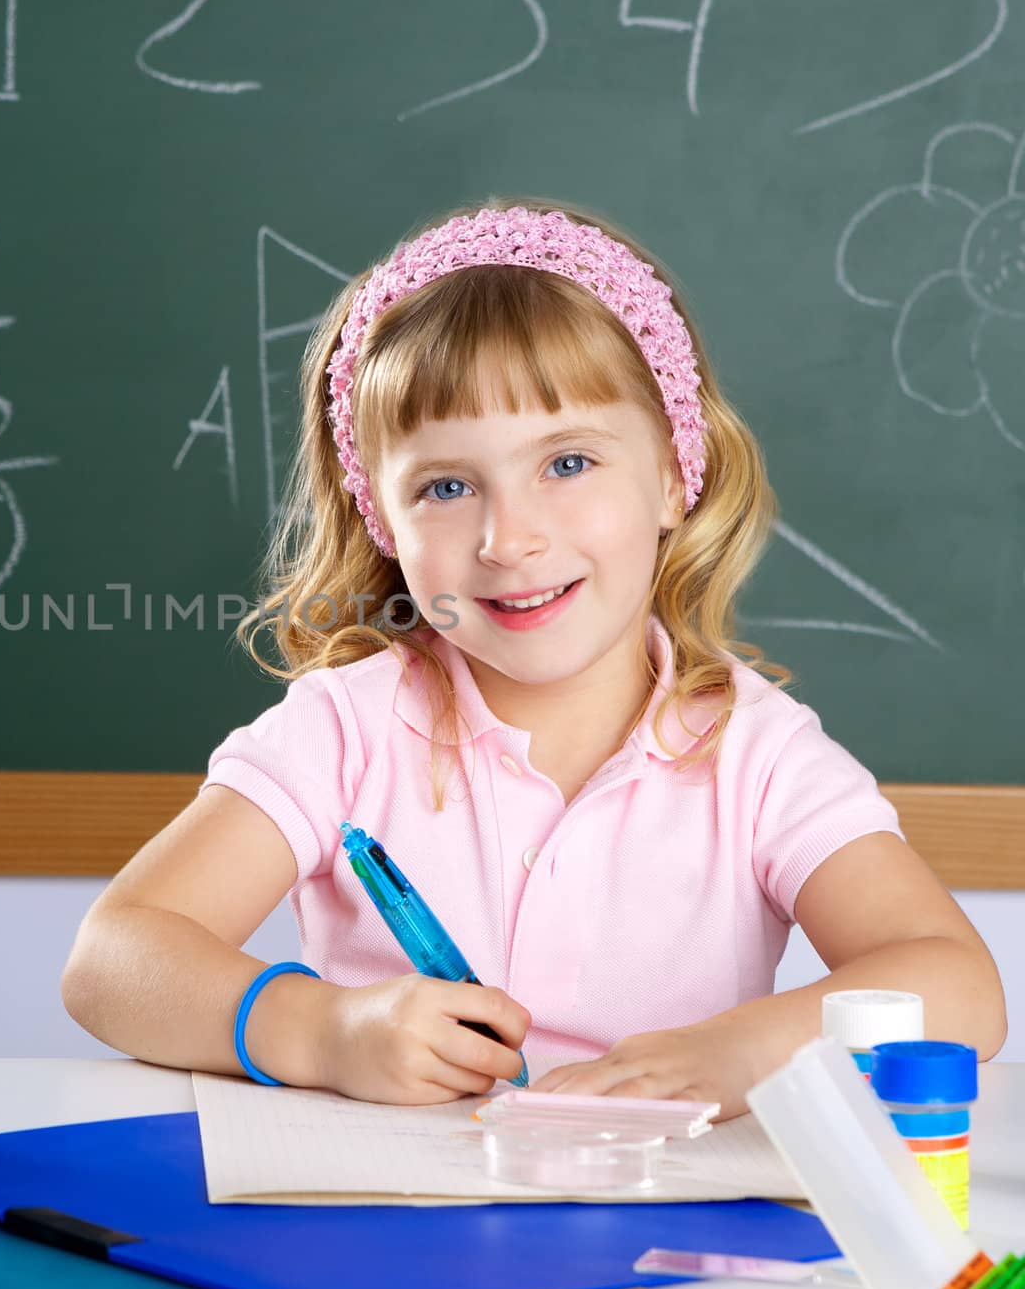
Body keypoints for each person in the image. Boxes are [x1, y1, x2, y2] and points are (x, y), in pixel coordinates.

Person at [61, 198, 1006, 1116]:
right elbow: (113, 961)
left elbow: (960, 986)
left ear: (679, 473)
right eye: (446, 485)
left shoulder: (757, 756)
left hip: (662, 1248)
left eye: (567, 463)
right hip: (391, 1246)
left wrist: (742, 1052)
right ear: (382, 520)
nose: (508, 539)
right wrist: (323, 1031)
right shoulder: (345, 729)